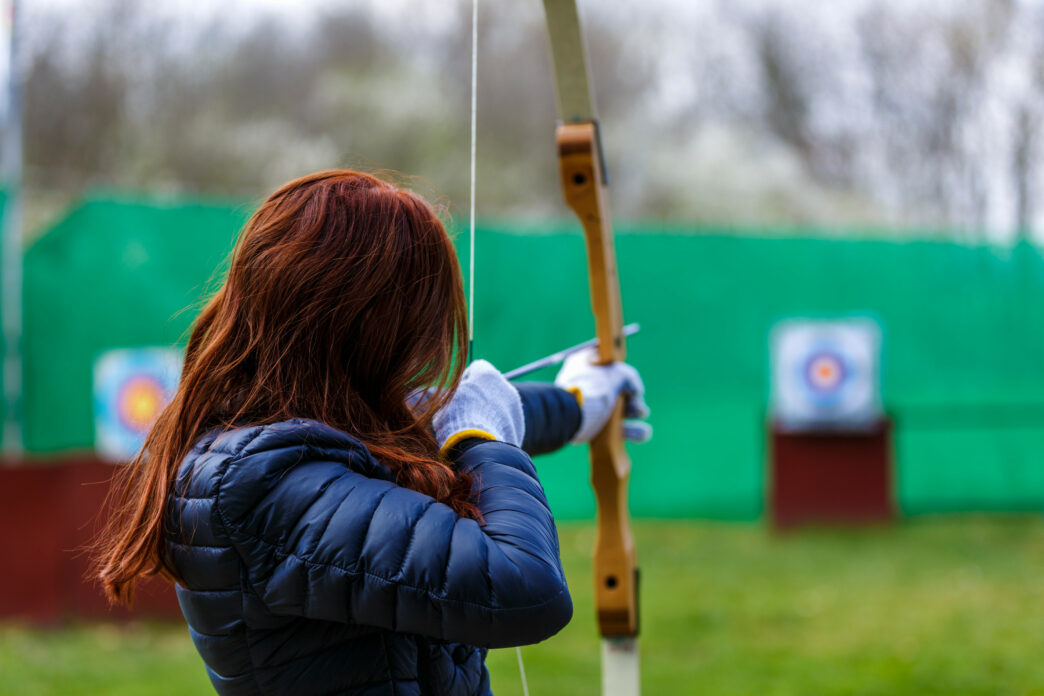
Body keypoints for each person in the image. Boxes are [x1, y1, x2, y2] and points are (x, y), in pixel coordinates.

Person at [93, 170, 650, 696]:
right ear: (372, 330)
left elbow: (442, 418)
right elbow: (522, 585)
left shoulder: (293, 435)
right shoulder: (267, 483)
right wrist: (483, 437)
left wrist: (580, 403)